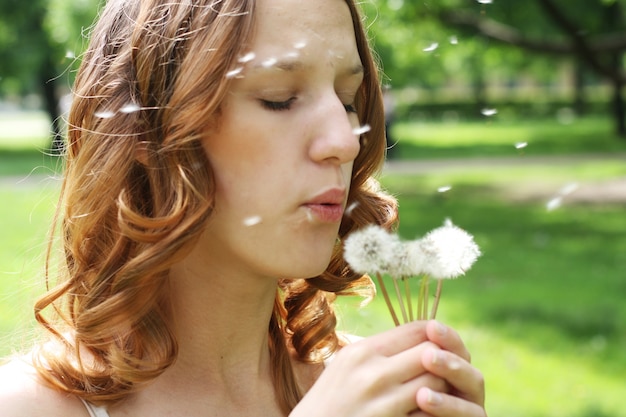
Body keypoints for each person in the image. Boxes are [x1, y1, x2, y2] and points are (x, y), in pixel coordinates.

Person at [0, 0, 486, 416]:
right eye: (280, 99)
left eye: (347, 99)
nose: (343, 140)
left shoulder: (378, 396)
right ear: (146, 128)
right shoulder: (28, 407)